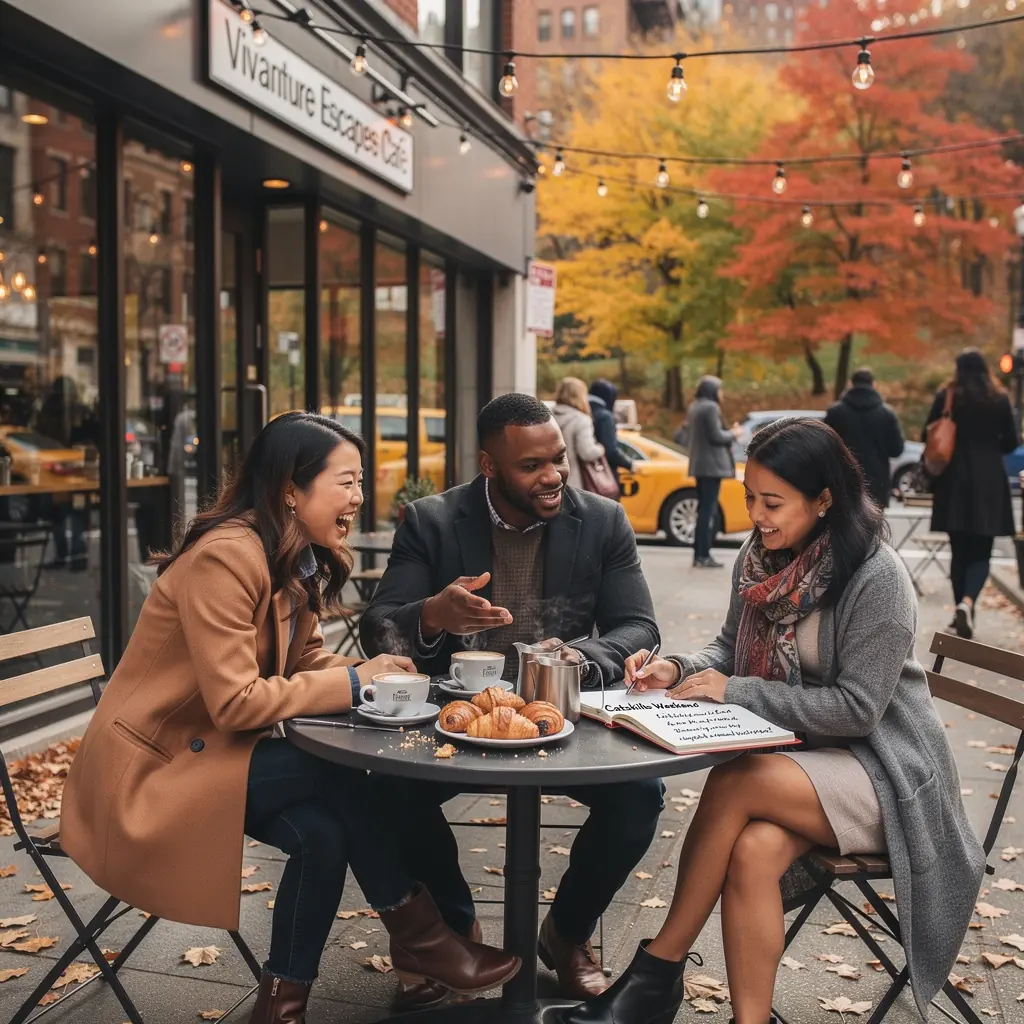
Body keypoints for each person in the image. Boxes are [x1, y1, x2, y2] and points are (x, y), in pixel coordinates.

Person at [60, 412, 520, 1024]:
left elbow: (302, 661)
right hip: (147, 775)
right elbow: (236, 702)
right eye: (347, 482)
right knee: (338, 775)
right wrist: (356, 681)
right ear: (289, 490)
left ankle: (282, 1007)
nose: (359, 498)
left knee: (324, 834)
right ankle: (426, 937)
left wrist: (379, 672)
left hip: (212, 757)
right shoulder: (225, 558)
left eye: (360, 483)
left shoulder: (290, 555)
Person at [560, 417, 984, 1024]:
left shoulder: (877, 577)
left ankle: (656, 971)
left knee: (738, 781)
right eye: (750, 497)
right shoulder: (758, 562)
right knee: (755, 849)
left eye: (773, 502)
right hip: (807, 762)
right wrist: (677, 670)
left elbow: (858, 711)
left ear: (824, 498)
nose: (757, 515)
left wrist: (737, 692)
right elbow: (729, 647)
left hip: (887, 771)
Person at [360, 393, 663, 1008]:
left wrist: (582, 656)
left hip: (565, 718)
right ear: (490, 466)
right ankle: (455, 932)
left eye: (557, 458)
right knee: (388, 790)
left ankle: (567, 933)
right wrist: (433, 615)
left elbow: (639, 627)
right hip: (458, 721)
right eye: (531, 465)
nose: (552, 474)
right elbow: (380, 627)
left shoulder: (602, 521)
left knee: (639, 798)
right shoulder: (432, 521)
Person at [924, 349, 1020, 640]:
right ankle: (967, 603)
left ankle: (958, 607)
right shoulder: (999, 399)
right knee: (981, 550)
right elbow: (1011, 442)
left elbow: (925, 434)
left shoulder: (948, 396)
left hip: (954, 483)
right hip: (989, 482)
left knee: (959, 551)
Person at [824, 367, 904, 508]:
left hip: (844, 479)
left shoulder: (835, 413)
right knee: (873, 526)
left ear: (850, 384)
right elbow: (897, 450)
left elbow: (825, 446)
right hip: (877, 483)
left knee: (846, 523)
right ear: (874, 385)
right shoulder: (886, 414)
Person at [684, 376, 739, 568]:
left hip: (699, 465)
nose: (721, 394)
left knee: (704, 510)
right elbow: (717, 436)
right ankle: (704, 554)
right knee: (709, 511)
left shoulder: (695, 406)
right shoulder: (711, 408)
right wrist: (733, 433)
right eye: (719, 390)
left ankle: (699, 553)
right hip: (712, 466)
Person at [552, 376, 606, 490]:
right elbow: (587, 453)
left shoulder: (548, 416)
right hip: (572, 482)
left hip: (549, 476)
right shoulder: (581, 420)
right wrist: (600, 449)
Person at [588, 379, 633, 485]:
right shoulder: (605, 416)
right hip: (603, 475)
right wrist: (629, 464)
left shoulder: (581, 411)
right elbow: (611, 450)